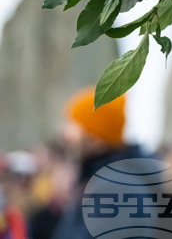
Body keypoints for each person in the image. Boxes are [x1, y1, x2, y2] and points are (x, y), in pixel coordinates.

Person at [51, 87, 149, 239]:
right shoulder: (102, 179)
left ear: (96, 136)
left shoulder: (116, 188)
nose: (64, 132)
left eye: (73, 124)